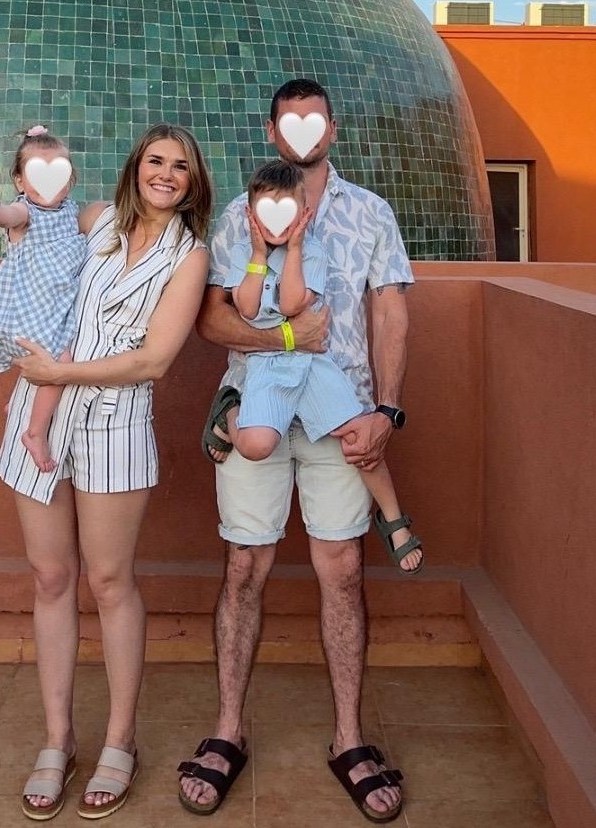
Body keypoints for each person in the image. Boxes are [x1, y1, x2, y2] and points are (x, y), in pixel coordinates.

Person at [178, 79, 414, 823]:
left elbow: (390, 311)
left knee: (341, 568)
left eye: (313, 121)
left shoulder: (371, 213)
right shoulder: (237, 220)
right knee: (245, 564)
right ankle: (227, 731)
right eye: (289, 122)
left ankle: (348, 737)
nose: (302, 133)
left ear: (331, 130)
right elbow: (213, 323)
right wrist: (282, 337)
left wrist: (386, 411)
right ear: (273, 133)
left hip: (341, 419)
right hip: (260, 408)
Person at [0, 123, 212, 821]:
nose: (166, 173)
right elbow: (38, 222)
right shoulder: (96, 222)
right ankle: (57, 741)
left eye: (180, 166)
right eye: (156, 160)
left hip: (116, 425)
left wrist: (64, 370)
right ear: (136, 166)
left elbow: (153, 360)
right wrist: (30, 165)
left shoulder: (191, 257)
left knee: (110, 580)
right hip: (38, 408)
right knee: (51, 577)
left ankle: (121, 740)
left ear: (192, 181)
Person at [201, 160, 424, 577]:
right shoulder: (241, 252)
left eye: (287, 212)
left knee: (356, 437)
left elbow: (290, 305)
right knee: (253, 446)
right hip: (265, 368)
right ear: (251, 215)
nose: (277, 223)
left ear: (303, 215)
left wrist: (296, 249)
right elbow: (246, 308)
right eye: (267, 212)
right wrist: (256, 254)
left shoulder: (313, 252)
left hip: (315, 367)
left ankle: (393, 519)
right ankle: (228, 408)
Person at [0, 125, 87, 473]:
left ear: (69, 181)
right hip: (28, 307)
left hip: (54, 305)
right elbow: (6, 216)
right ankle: (35, 431)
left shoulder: (70, 212)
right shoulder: (26, 213)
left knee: (59, 348)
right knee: (62, 359)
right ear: (20, 182)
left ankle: (18, 403)